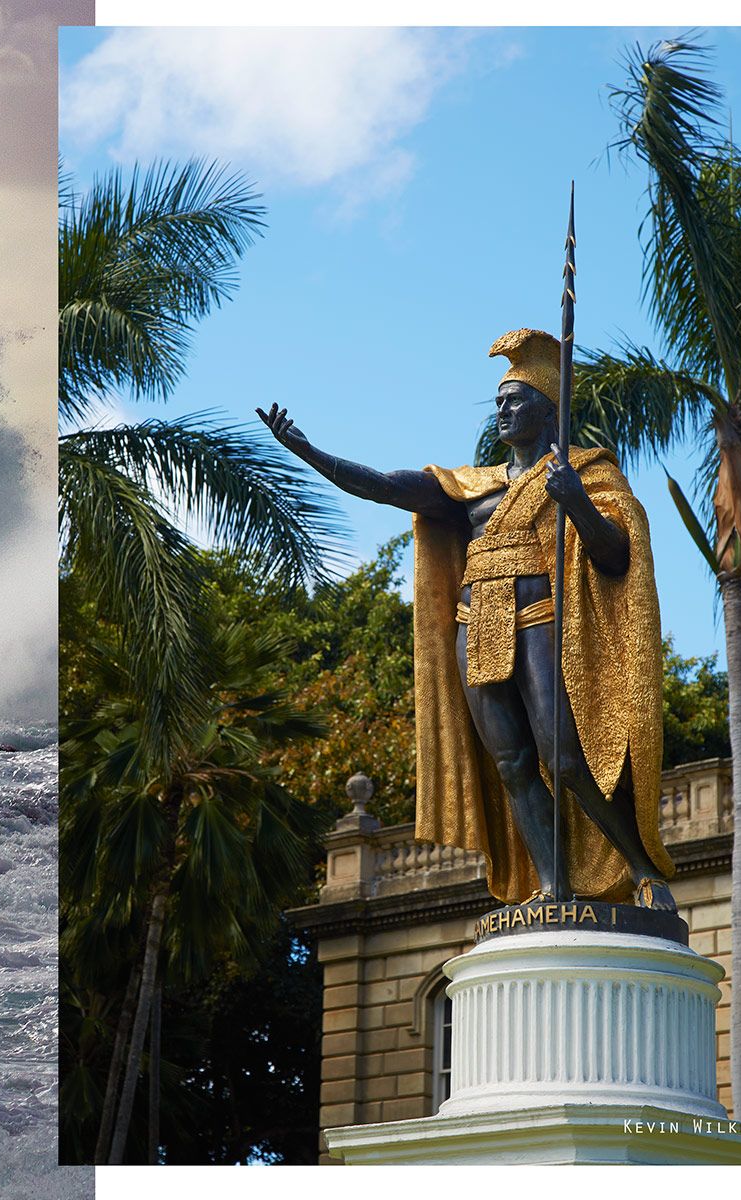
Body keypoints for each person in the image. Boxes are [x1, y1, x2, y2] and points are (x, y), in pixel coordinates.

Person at [257, 328, 675, 909]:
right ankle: (551, 886)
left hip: (540, 617)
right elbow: (384, 487)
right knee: (512, 763)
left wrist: (576, 502)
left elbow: (616, 557)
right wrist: (311, 454)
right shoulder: (470, 488)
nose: (502, 410)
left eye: (515, 400)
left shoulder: (586, 473)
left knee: (564, 757)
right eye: (498, 401)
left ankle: (641, 869)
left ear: (547, 410)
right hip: (474, 625)